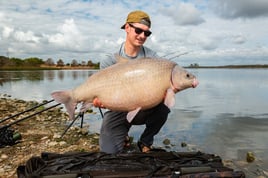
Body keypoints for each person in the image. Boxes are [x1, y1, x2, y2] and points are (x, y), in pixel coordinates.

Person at [97, 10, 170, 154]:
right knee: (108, 153)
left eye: (147, 33)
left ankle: (145, 141)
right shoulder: (109, 60)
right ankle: (122, 134)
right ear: (127, 27)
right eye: (138, 30)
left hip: (143, 107)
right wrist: (99, 101)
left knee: (164, 107)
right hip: (118, 109)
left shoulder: (153, 58)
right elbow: (103, 96)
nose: (142, 36)